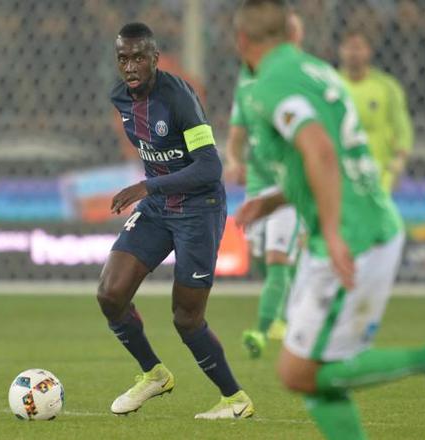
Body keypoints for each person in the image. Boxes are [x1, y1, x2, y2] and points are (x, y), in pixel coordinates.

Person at [232, 1, 425, 439]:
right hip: (353, 226)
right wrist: (277, 201)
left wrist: (333, 231)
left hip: (352, 235)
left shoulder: (271, 83)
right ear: (291, 34)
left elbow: (321, 150)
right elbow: (329, 157)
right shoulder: (319, 72)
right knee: (307, 374)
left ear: (242, 40)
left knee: (298, 372)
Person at [97, 22, 254, 420]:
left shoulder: (179, 98)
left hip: (199, 209)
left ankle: (235, 399)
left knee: (186, 318)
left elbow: (209, 167)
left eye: (138, 58)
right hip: (158, 207)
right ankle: (154, 374)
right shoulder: (120, 97)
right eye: (122, 59)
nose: (129, 66)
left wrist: (146, 186)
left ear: (155, 58)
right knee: (110, 295)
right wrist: (153, 190)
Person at [225, 11, 304, 358]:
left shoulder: (295, 77)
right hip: (256, 186)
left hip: (286, 188)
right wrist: (234, 160)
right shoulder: (246, 80)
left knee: (276, 257)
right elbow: (237, 131)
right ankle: (291, 302)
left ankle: (263, 328)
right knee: (262, 256)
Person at [338, 29, 414, 193]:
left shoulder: (387, 87)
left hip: (380, 170)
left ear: (368, 51)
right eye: (349, 47)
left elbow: (402, 127)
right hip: (342, 168)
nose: (354, 53)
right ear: (341, 51)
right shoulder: (330, 85)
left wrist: (400, 159)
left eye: (359, 48)